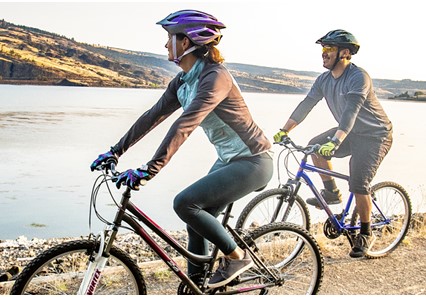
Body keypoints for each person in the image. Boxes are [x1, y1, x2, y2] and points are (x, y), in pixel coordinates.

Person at [90, 10, 273, 288]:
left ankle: (237, 257)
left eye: (169, 38)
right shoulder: (184, 81)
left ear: (186, 42)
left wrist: (149, 169)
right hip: (229, 160)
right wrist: (116, 151)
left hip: (254, 162)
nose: (165, 45)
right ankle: (197, 286)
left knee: (185, 203)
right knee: (196, 219)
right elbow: (152, 117)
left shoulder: (216, 77)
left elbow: (185, 124)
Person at [273, 29, 393, 258]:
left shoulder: (359, 77)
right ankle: (331, 194)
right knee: (314, 147)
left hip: (375, 135)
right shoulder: (324, 80)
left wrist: (336, 141)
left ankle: (366, 233)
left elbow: (351, 112)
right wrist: (284, 130)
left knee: (359, 183)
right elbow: (307, 104)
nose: (324, 53)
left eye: (329, 49)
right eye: (323, 49)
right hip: (350, 133)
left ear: (344, 53)